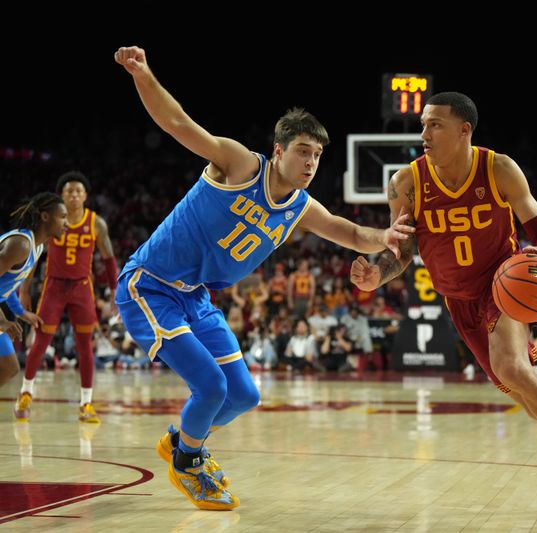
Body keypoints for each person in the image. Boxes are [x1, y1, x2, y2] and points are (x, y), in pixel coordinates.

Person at [113, 46, 413, 510]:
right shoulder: (239, 164)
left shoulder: (300, 208)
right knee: (211, 387)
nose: (311, 162)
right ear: (278, 151)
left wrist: (386, 235)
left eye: (317, 155)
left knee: (244, 395)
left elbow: (352, 233)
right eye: (302, 152)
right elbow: (177, 124)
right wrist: (142, 72)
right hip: (150, 285)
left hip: (195, 298)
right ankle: (187, 461)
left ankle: (181, 442)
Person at [350, 92, 537, 514]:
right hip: (458, 301)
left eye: (434, 124)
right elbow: (399, 253)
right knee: (532, 402)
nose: (424, 134)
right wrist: (376, 274)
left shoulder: (498, 168)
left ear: (464, 130)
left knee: (514, 368)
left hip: (503, 284)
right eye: (423, 125)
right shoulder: (406, 183)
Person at [15, 172, 118, 424]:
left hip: (82, 288)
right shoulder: (52, 222)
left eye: (78, 191)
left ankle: (86, 403)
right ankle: (25, 393)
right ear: (61, 195)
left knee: (85, 346)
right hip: (54, 287)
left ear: (85, 195)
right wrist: (25, 290)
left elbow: (109, 258)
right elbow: (34, 257)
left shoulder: (96, 223)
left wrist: (114, 290)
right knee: (40, 340)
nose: (73, 195)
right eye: (69, 191)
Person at [0, 194, 68, 387]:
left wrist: (21, 313)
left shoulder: (36, 249)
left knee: (9, 366)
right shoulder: (20, 245)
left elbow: (6, 287)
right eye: (62, 217)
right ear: (45, 217)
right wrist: (2, 320)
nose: (67, 224)